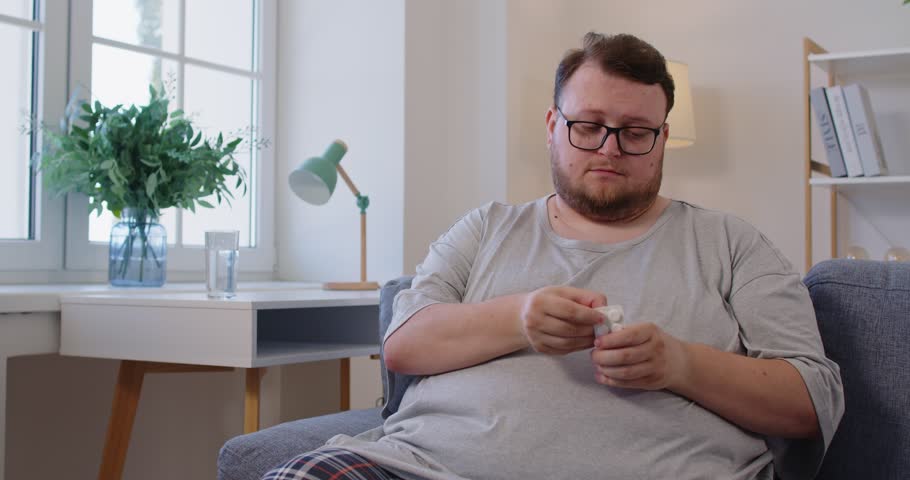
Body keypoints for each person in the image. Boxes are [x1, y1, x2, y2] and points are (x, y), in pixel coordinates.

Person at [264, 32, 844, 480]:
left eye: (635, 131)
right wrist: (516, 318)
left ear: (663, 138)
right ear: (552, 125)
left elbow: (810, 404)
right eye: (587, 125)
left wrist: (680, 364)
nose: (609, 149)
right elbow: (403, 345)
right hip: (417, 468)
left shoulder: (732, 243)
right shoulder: (486, 227)